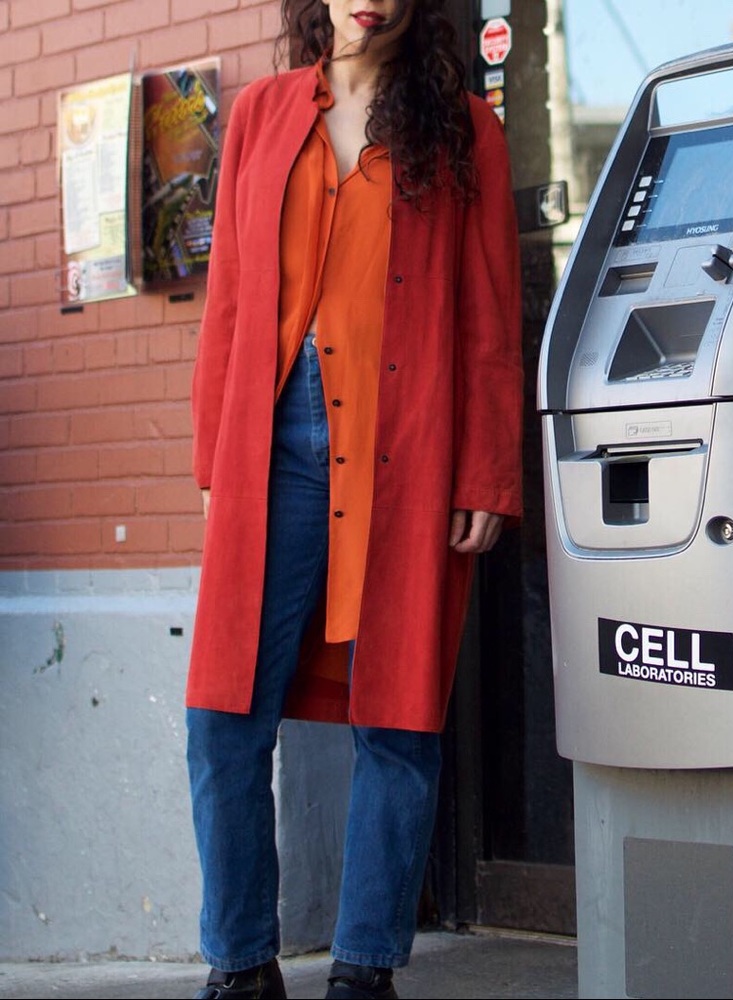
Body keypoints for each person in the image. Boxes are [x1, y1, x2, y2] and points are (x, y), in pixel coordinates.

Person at [183, 1, 523, 998]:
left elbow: (490, 308)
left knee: (400, 714)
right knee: (221, 715)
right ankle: (241, 964)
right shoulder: (260, 115)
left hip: (404, 444)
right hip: (272, 442)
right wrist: (217, 465)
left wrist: (486, 470)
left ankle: (363, 970)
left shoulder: (464, 128)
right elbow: (232, 299)